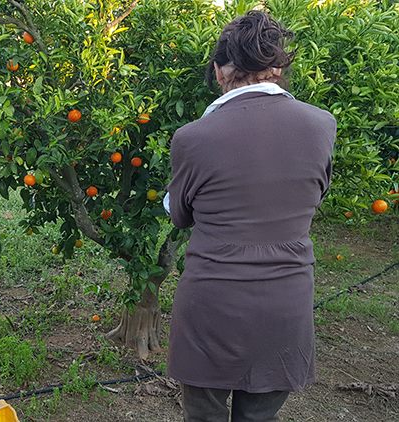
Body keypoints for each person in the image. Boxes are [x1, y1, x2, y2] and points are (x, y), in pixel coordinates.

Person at [166, 11, 336, 422]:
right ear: (277, 69)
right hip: (285, 303)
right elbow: (317, 192)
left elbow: (180, 215)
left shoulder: (194, 138)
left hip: (213, 306)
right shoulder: (322, 125)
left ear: (220, 72)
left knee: (203, 416)